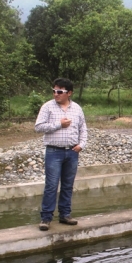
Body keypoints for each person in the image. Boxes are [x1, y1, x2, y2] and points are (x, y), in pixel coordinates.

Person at [35, 78, 87, 231]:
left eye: (59, 91)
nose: (55, 94)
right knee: (51, 185)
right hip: (54, 151)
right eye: (54, 91)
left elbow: (83, 128)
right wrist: (59, 124)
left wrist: (81, 144)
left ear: (69, 93)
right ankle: (46, 217)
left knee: (67, 185)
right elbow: (38, 127)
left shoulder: (77, 108)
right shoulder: (48, 107)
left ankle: (65, 214)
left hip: (72, 151)